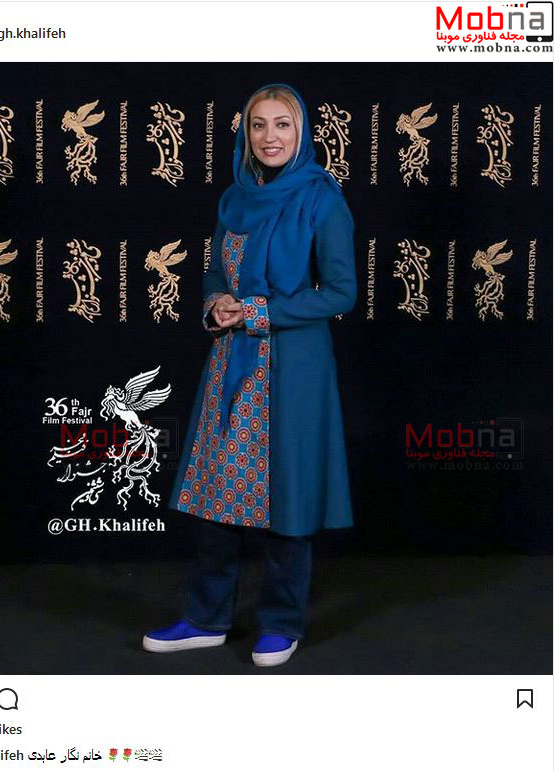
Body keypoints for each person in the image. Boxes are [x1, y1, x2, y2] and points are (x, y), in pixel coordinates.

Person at [143, 83, 357, 667]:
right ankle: (206, 618)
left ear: (301, 132)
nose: (269, 136)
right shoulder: (235, 199)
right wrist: (216, 303)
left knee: (287, 496)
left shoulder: (321, 199)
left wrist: (262, 311)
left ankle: (281, 623)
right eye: (258, 125)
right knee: (218, 492)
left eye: (282, 124)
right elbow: (217, 272)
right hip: (233, 365)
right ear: (245, 134)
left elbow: (342, 292)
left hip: (293, 370)